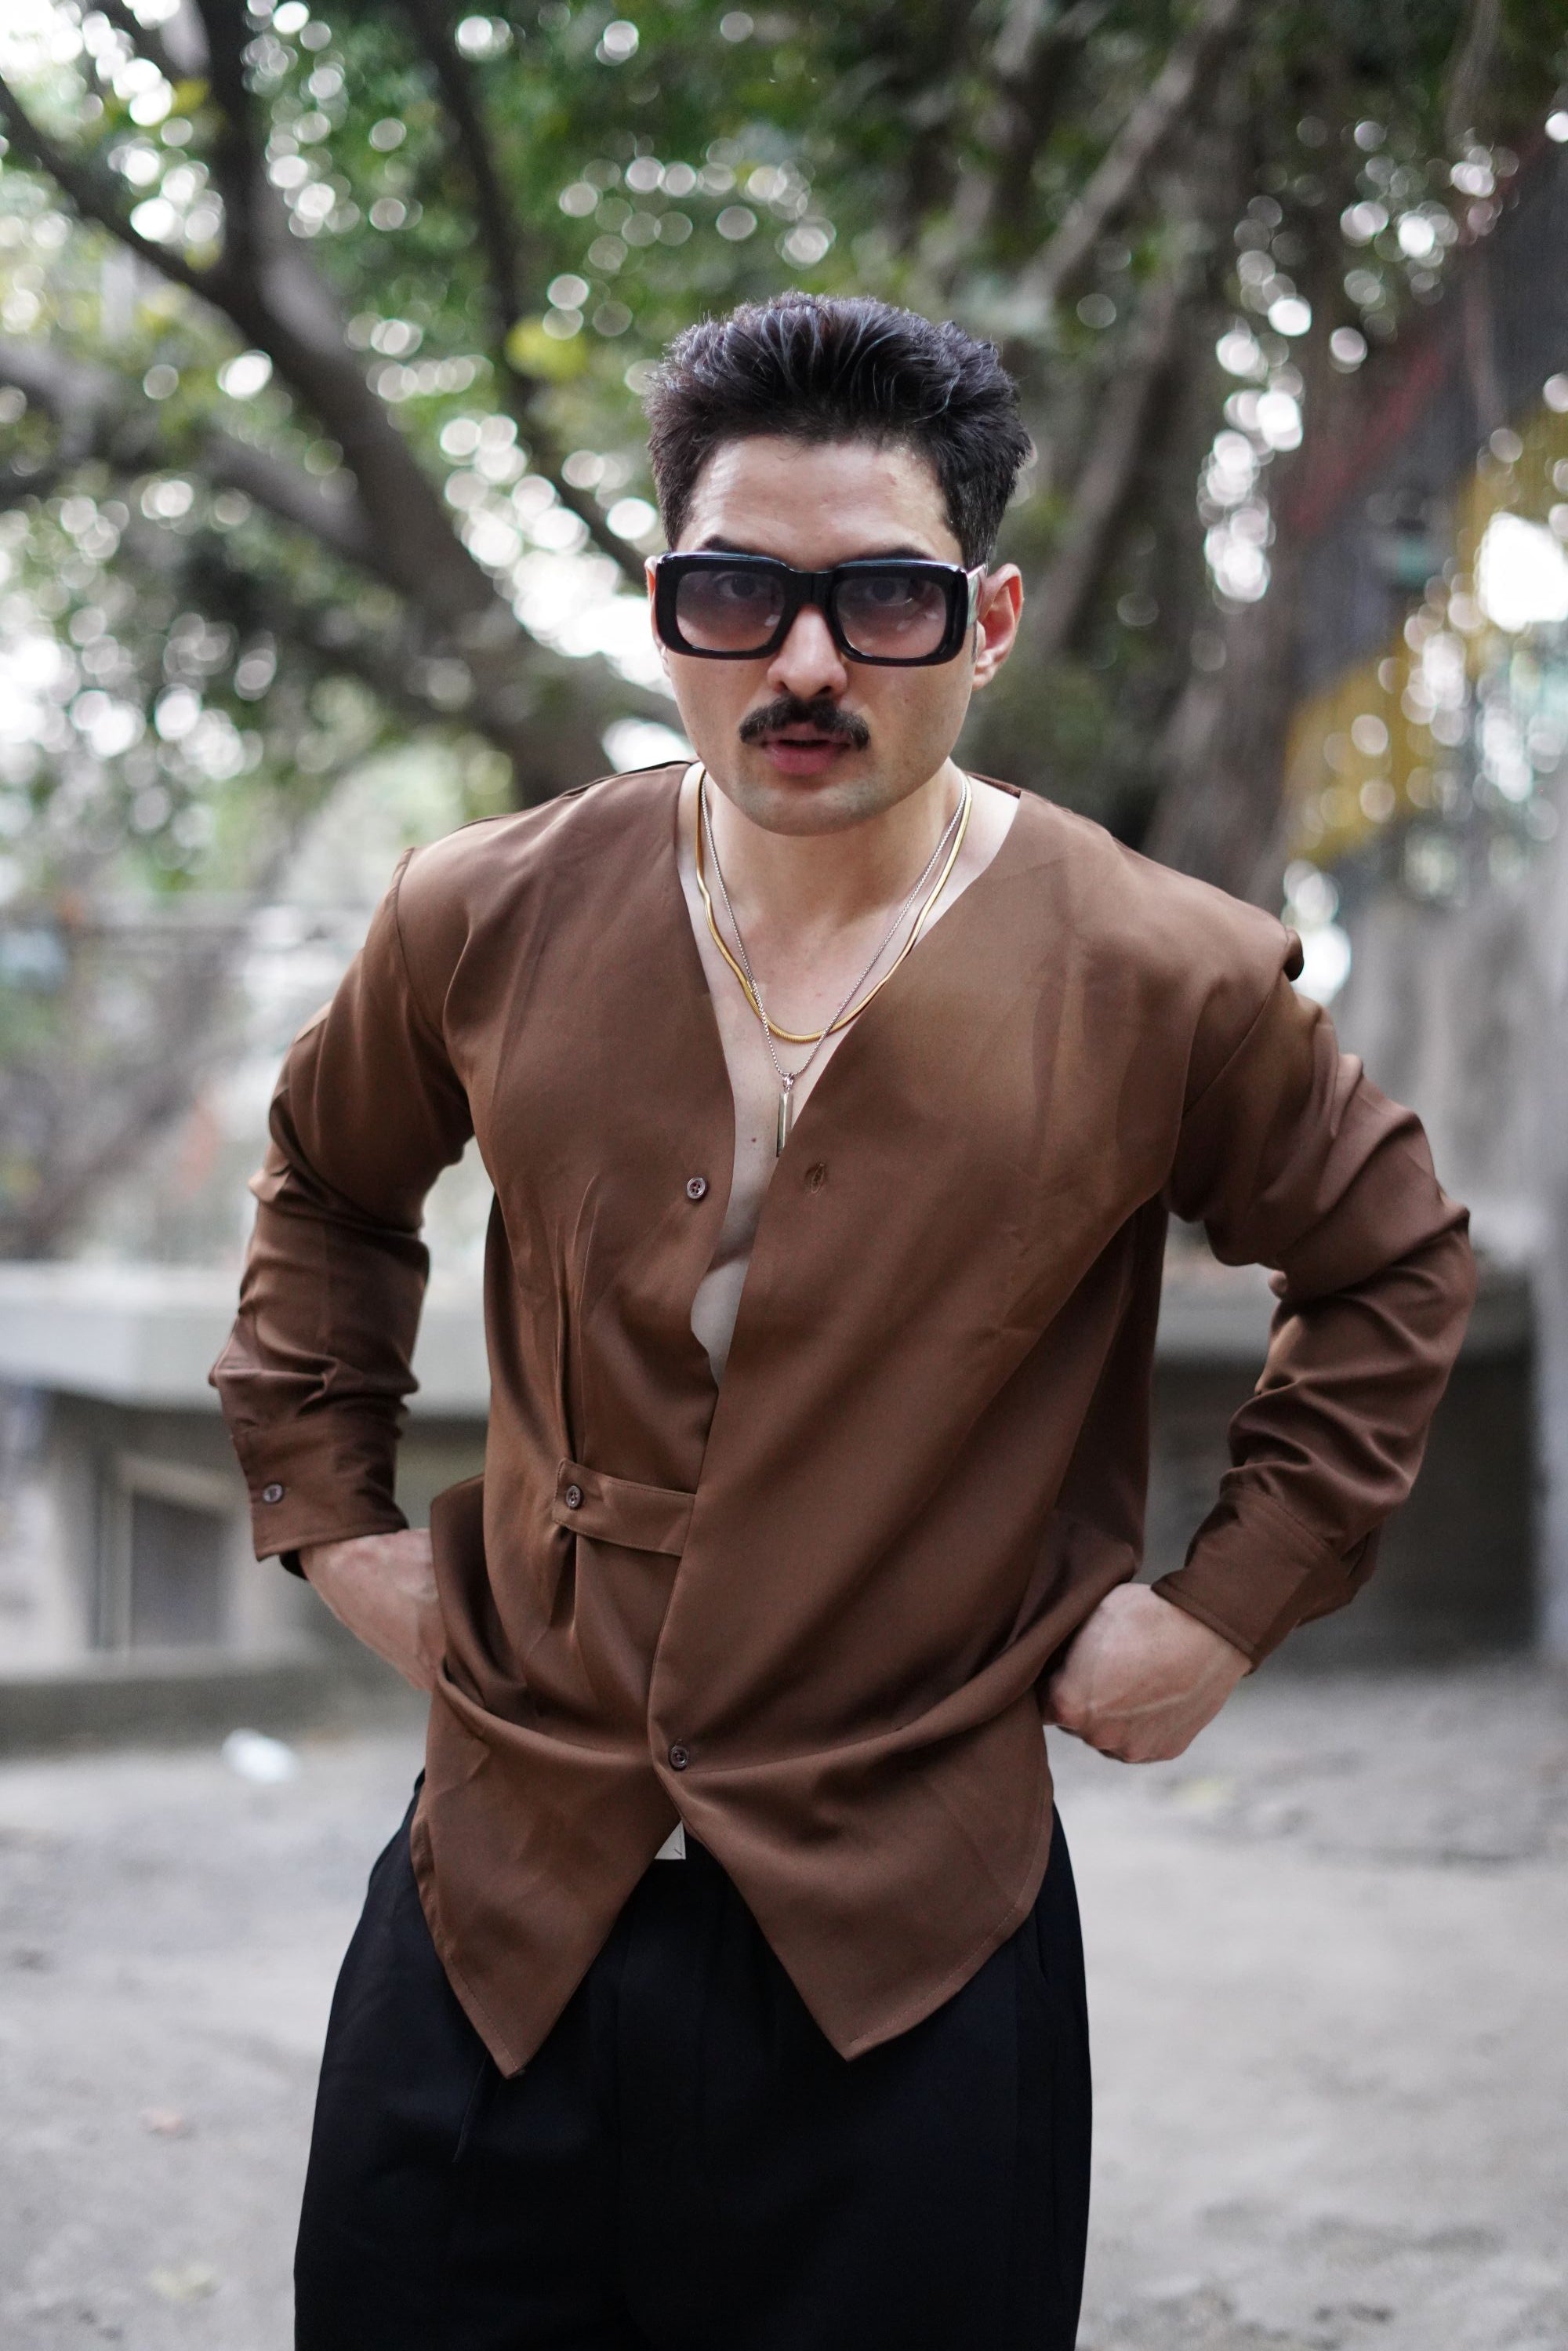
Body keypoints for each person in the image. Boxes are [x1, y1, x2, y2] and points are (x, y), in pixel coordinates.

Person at [211, 292, 1475, 2351]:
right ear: (663, 608)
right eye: (739, 594)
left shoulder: (1161, 972)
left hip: (917, 1936)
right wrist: (332, 1518)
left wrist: (1226, 1607)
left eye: (883, 600)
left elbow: (1391, 1259)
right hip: (502, 1893)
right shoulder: (481, 910)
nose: (804, 665)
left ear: (987, 621)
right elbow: (331, 1182)